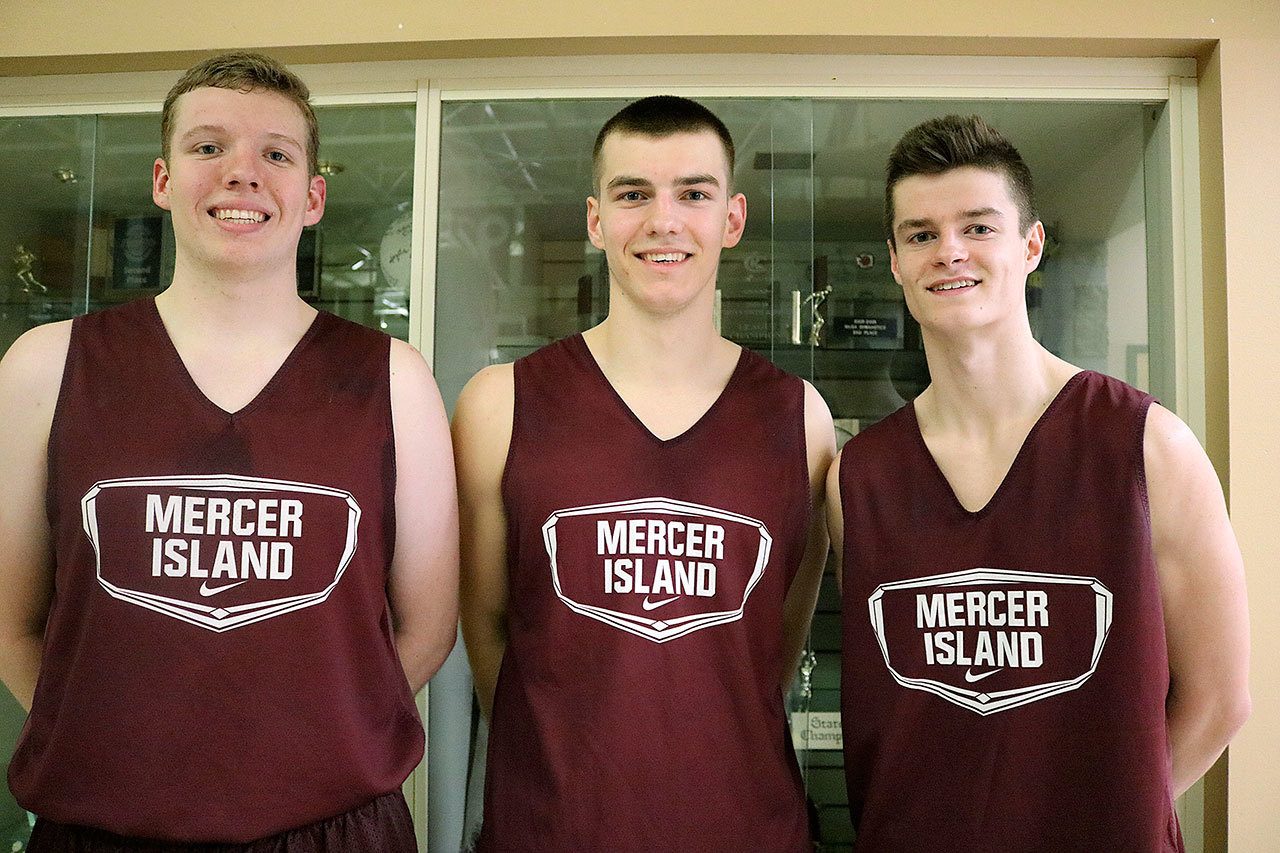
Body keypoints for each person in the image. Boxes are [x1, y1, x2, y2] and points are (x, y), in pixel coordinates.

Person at [0, 52, 458, 851]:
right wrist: (126, 749)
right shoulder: (46, 366)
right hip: (101, 824)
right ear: (162, 180)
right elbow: (12, 619)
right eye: (208, 147)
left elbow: (428, 628)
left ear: (313, 196)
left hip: (332, 828)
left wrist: (303, 751)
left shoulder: (392, 378)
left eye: (276, 154)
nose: (242, 173)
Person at [829, 114, 1251, 851]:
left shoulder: (1146, 446)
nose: (949, 251)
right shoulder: (858, 477)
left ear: (1031, 246)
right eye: (921, 234)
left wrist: (1105, 818)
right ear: (894, 260)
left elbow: (1219, 702)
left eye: (978, 227)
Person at [453, 95, 835, 851]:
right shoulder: (500, 405)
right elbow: (489, 634)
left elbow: (773, 647)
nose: (665, 221)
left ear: (732, 218)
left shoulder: (800, 419)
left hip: (748, 826)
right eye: (634, 194)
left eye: (693, 193)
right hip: (552, 828)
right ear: (596, 221)